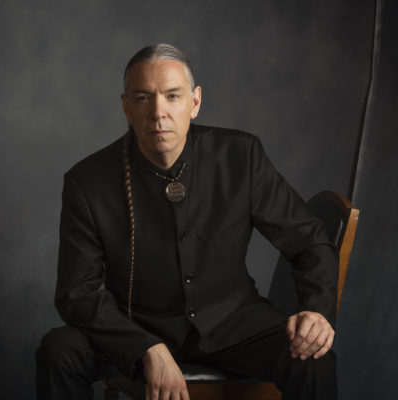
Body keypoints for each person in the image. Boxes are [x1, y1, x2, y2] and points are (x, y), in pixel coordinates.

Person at [36, 44, 338, 400]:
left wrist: (316, 311)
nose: (158, 112)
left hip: (235, 324)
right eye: (143, 98)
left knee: (314, 359)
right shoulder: (88, 182)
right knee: (59, 351)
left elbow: (309, 241)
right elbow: (76, 292)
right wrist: (145, 347)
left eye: (172, 96)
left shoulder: (240, 156)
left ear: (194, 103)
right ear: (126, 107)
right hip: (135, 327)